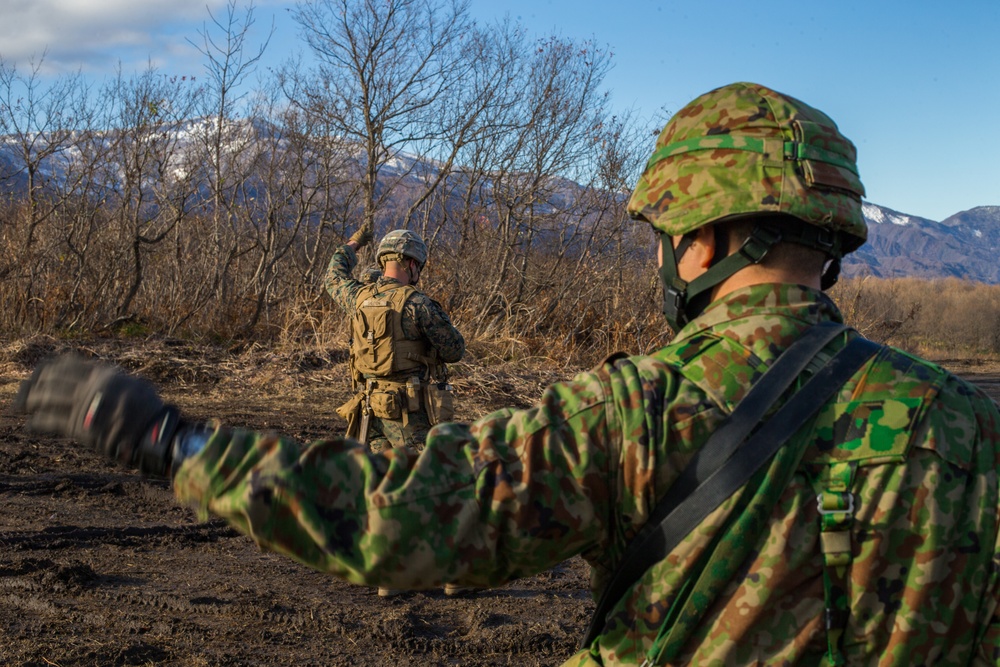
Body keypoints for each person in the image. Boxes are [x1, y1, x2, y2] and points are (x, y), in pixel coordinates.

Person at [13, 82, 999, 665]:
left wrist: (173, 440)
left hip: (384, 413)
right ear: (826, 245)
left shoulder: (638, 407)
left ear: (707, 241)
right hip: (384, 400)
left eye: (670, 237)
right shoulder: (965, 423)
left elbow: (401, 518)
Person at [324, 227, 465, 453]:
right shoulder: (418, 304)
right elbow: (455, 351)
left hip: (369, 412)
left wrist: (354, 243)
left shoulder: (358, 297)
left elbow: (333, 276)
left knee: (377, 476)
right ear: (411, 264)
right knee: (419, 478)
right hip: (408, 415)